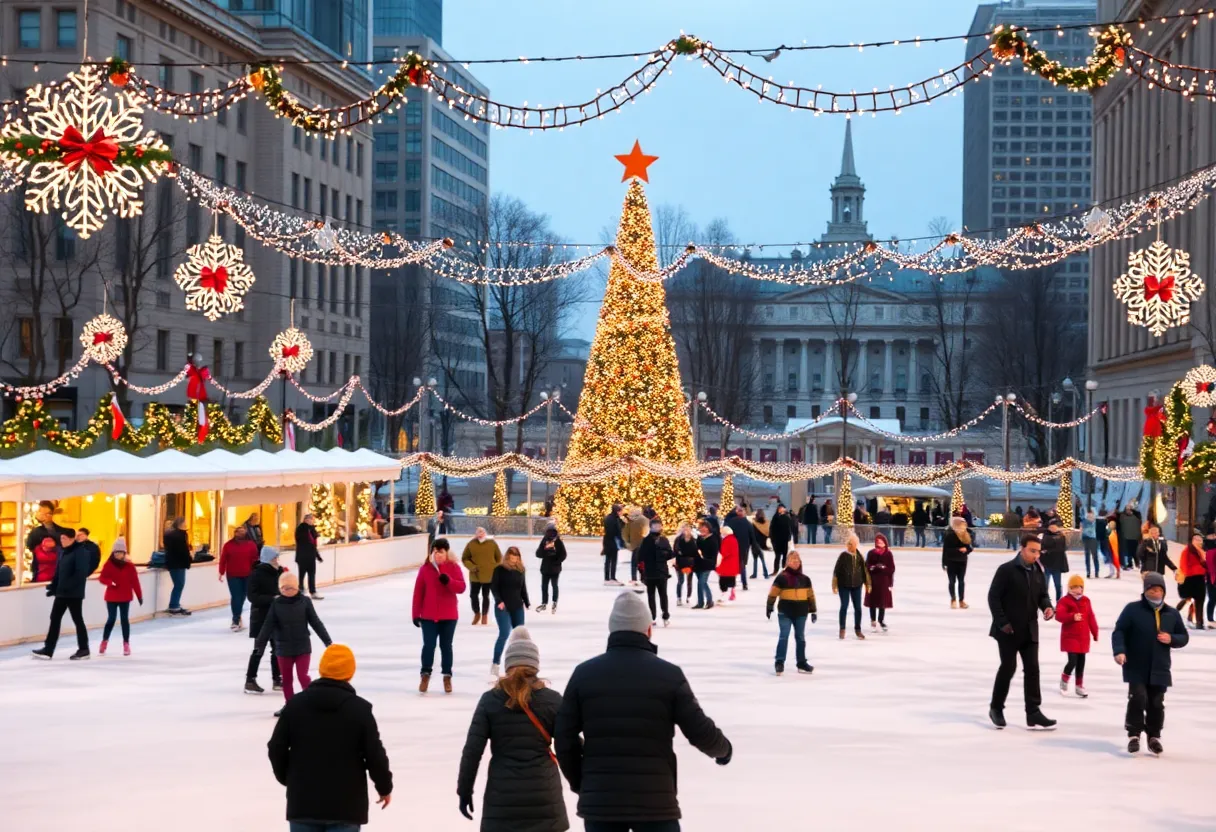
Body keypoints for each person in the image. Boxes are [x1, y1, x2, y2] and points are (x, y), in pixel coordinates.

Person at [553, 592, 732, 830]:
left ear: (612, 631)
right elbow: (698, 729)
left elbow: (564, 738)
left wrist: (583, 782)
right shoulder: (669, 676)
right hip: (655, 803)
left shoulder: (583, 674)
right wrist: (723, 750)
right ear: (648, 630)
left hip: (601, 802)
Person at [268, 644, 394, 829]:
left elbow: (276, 747)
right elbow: (375, 755)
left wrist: (290, 779)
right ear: (350, 673)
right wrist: (384, 787)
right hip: (346, 808)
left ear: (322, 669)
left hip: (303, 804)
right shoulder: (360, 710)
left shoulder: (295, 706)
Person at [457, 627, 569, 831]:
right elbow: (569, 747)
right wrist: (581, 783)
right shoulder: (552, 700)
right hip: (544, 795)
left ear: (508, 664)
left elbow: (472, 751)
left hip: (502, 799)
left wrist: (464, 790)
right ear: (535, 665)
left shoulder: (490, 700)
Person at [1112, 572, 1190, 755]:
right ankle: (1134, 734)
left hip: (1160, 667)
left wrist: (1172, 638)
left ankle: (1154, 736)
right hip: (1136, 665)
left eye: (1159, 590)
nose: (1156, 593)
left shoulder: (1172, 613)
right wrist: (1119, 651)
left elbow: (1184, 636)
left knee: (1156, 702)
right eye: (1152, 590)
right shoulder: (1132, 610)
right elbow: (1119, 631)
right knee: (1138, 698)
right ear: (1145, 591)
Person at [987, 534, 1057, 730]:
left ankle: (1033, 712)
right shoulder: (1006, 570)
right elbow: (993, 598)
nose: (1035, 555)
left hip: (1030, 629)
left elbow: (1042, 595)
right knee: (1008, 668)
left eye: (1038, 551)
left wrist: (1047, 607)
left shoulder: (1037, 570)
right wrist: (1003, 623)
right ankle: (996, 708)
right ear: (1022, 548)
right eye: (1032, 551)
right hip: (1008, 630)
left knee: (1033, 670)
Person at [254, 571, 333, 712]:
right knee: (287, 679)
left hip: (302, 646)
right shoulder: (276, 604)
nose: (288, 591)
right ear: (280, 589)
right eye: (285, 588)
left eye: (291, 588)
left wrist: (327, 641)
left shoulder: (305, 601)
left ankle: (312, 702)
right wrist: (259, 645)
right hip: (283, 648)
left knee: (303, 676)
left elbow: (315, 622)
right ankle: (290, 706)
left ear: (296, 587)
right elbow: (267, 625)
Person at [413, 537, 466, 693]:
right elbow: (418, 592)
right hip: (428, 616)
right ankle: (425, 674)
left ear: (447, 553)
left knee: (446, 646)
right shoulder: (425, 569)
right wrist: (416, 614)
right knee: (429, 645)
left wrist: (449, 581)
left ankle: (447, 676)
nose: (438, 555)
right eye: (435, 552)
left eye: (441, 552)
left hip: (449, 615)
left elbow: (462, 587)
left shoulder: (454, 567)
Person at [31, 529, 90, 660]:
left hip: (74, 593)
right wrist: (53, 586)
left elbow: (80, 574)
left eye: (64, 539)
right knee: (55, 618)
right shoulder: (63, 552)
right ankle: (48, 649)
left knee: (77, 619)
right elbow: (59, 572)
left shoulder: (80, 552)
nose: (61, 541)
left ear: (71, 539)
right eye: (61, 538)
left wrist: (67, 588)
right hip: (62, 593)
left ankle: (84, 649)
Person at [766, 549, 816, 675]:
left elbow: (810, 595)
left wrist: (813, 610)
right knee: (784, 636)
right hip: (785, 612)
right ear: (788, 562)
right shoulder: (782, 577)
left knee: (800, 638)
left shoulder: (805, 579)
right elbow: (773, 593)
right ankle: (779, 662)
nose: (795, 563)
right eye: (792, 560)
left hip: (801, 613)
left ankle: (801, 663)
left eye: (797, 560)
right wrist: (769, 606)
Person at [246, 546, 286, 694]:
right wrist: (272, 599)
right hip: (261, 617)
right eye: (274, 557)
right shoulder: (257, 574)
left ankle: (277, 678)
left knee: (277, 649)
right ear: (268, 559)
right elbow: (252, 597)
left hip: (276, 616)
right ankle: (250, 679)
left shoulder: (280, 572)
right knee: (259, 649)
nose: (277, 560)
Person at [1055, 575, 1099, 698]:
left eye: (1079, 587)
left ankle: (1079, 685)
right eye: (1073, 587)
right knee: (1072, 661)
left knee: (1081, 662)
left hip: (1083, 637)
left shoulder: (1086, 601)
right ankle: (1064, 679)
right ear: (1069, 588)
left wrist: (1095, 632)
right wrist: (1072, 617)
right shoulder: (1064, 601)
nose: (1076, 590)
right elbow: (1059, 615)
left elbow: (1091, 617)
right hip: (1070, 637)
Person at [98, 538, 142, 656]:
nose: (118, 555)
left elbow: (135, 582)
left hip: (125, 596)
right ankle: (105, 640)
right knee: (111, 619)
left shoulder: (130, 566)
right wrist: (109, 582)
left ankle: (126, 643)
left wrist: (139, 595)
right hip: (111, 597)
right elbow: (102, 577)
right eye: (116, 552)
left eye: (120, 552)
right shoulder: (108, 564)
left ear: (124, 553)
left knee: (124, 620)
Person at [490, 546, 529, 677]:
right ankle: (495, 664)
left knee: (519, 636)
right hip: (503, 607)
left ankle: (518, 665)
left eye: (516, 557)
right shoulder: (499, 570)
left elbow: (523, 588)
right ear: (507, 557)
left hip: (517, 606)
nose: (514, 559)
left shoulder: (521, 570)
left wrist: (526, 601)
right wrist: (499, 601)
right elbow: (494, 587)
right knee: (504, 633)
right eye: (511, 557)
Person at [219, 525, 259, 631]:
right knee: (236, 596)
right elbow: (223, 559)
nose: (240, 533)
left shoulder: (251, 545)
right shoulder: (228, 545)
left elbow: (255, 559)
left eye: (243, 531)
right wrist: (221, 572)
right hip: (233, 575)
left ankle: (238, 615)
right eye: (238, 531)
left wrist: (256, 572)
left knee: (243, 596)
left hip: (248, 574)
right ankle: (235, 619)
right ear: (235, 533)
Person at [832, 532, 871, 641]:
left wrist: (867, 584)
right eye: (848, 544)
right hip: (844, 585)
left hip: (856, 585)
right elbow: (836, 571)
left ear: (856, 544)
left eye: (852, 544)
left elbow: (864, 571)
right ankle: (842, 628)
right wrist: (834, 585)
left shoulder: (859, 556)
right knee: (844, 606)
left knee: (858, 608)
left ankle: (858, 629)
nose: (850, 546)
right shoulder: (843, 556)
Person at [636, 516, 674, 627]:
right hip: (650, 572)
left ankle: (665, 615)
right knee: (651, 595)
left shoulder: (664, 539)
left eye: (659, 526)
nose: (658, 528)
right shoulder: (646, 540)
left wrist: (665, 554)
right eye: (655, 526)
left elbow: (670, 553)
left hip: (662, 572)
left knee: (663, 595)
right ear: (651, 527)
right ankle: (652, 616)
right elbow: (640, 558)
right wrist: (642, 573)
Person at [462, 527, 502, 625]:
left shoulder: (492, 543)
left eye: (482, 532)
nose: (480, 534)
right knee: (473, 595)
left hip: (489, 575)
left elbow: (499, 558)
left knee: (486, 595)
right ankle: (477, 614)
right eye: (478, 532)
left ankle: (484, 616)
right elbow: (465, 558)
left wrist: (493, 568)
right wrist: (472, 567)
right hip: (475, 574)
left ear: (485, 533)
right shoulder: (471, 544)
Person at [1175, 532, 1208, 629]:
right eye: (1196, 539)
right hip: (1189, 579)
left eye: (1200, 540)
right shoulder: (1187, 550)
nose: (1199, 541)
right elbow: (1184, 565)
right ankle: (1174, 613)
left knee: (1199, 601)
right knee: (1186, 599)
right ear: (1192, 541)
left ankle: (1199, 623)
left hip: (1200, 579)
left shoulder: (1201, 551)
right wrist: (1199, 569)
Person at [865, 532, 895, 633]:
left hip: (884, 581)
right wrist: (872, 567)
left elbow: (891, 569)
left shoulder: (888, 554)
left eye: (881, 542)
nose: (880, 544)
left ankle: (881, 620)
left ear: (885, 543)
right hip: (873, 581)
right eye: (878, 542)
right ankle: (873, 620)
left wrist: (884, 568)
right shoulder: (871, 553)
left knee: (882, 602)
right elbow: (867, 566)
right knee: (872, 601)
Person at [942, 516, 974, 610]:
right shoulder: (950, 535)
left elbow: (970, 548)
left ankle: (961, 601)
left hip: (962, 561)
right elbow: (946, 550)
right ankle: (953, 600)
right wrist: (944, 563)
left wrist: (966, 549)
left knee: (961, 581)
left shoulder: (966, 535)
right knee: (952, 581)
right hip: (951, 561)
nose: (964, 525)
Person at [163, 516, 193, 616]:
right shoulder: (181, 535)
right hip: (179, 563)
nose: (186, 524)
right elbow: (183, 550)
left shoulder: (169, 534)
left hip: (172, 562)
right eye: (185, 522)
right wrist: (189, 560)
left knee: (178, 584)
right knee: (179, 584)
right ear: (181, 524)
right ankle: (174, 605)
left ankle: (174, 604)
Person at [535, 524, 567, 613]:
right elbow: (538, 554)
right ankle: (545, 603)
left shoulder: (558, 542)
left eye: (552, 532)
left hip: (554, 569)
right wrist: (545, 552)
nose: (550, 534)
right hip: (546, 568)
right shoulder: (544, 541)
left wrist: (556, 561)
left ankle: (554, 602)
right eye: (549, 532)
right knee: (545, 586)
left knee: (554, 586)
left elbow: (563, 554)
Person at [294, 513, 324, 600]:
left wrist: (317, 556)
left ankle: (313, 591)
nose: (311, 521)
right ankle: (301, 590)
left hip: (311, 557)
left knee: (312, 575)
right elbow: (302, 541)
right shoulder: (301, 528)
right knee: (302, 574)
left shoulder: (312, 529)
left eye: (312, 519)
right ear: (306, 520)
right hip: (303, 556)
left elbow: (313, 545)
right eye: (310, 519)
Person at [1039, 517, 1069, 605]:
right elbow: (1042, 547)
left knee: (1058, 585)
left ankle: (1059, 602)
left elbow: (1062, 548)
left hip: (1057, 564)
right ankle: (1046, 602)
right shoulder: (1045, 535)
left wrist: (1048, 551)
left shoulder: (1061, 536)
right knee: (1045, 585)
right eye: (1051, 527)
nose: (1053, 528)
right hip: (1047, 564)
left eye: (1054, 527)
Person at [724, 506, 752, 591]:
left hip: (734, 546)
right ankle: (744, 583)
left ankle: (732, 583)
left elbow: (726, 532)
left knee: (733, 564)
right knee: (742, 565)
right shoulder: (746, 522)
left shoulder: (732, 521)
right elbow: (751, 534)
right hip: (743, 547)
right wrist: (751, 544)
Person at [692, 520, 718, 610]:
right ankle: (700, 602)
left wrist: (706, 558)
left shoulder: (713, 539)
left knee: (702, 582)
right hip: (698, 563)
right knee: (700, 583)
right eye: (701, 527)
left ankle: (710, 601)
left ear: (708, 528)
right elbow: (697, 548)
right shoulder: (700, 538)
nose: (702, 529)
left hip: (708, 564)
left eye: (704, 527)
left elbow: (713, 553)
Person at [672, 522, 698, 607]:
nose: (686, 530)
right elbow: (676, 550)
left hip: (690, 563)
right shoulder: (678, 539)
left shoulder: (693, 539)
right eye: (684, 528)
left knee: (689, 581)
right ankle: (679, 598)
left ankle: (688, 597)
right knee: (680, 581)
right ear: (682, 529)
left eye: (688, 528)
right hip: (680, 563)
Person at [601, 504, 626, 586]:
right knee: (612, 560)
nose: (622, 512)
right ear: (617, 511)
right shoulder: (614, 519)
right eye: (621, 511)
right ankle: (611, 578)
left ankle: (608, 578)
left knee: (608, 560)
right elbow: (617, 531)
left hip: (608, 541)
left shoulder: (610, 518)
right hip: (612, 542)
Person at [623, 507, 647, 587]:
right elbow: (647, 532)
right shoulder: (645, 520)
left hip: (634, 544)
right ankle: (643, 578)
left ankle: (634, 579)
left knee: (634, 563)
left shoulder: (630, 522)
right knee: (642, 562)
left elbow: (626, 533)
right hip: (643, 544)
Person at [769, 504, 796, 573]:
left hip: (784, 540)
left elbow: (792, 526)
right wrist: (772, 539)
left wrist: (792, 515)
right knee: (777, 556)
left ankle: (784, 569)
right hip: (777, 541)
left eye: (782, 508)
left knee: (784, 555)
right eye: (780, 508)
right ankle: (776, 570)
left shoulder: (787, 517)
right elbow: (772, 528)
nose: (781, 509)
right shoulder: (775, 517)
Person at [1118, 503, 1143, 570]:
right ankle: (1130, 564)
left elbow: (1138, 514)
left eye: (1130, 509)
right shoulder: (1122, 516)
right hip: (1126, 537)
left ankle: (1137, 563)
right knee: (1128, 551)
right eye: (1127, 509)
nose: (1128, 510)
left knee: (1135, 551)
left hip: (1135, 537)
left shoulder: (1137, 516)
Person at [748, 509, 771, 580]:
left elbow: (752, 534)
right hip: (763, 543)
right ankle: (765, 574)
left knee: (755, 559)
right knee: (762, 559)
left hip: (755, 543)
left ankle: (757, 574)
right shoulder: (767, 523)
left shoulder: (754, 524)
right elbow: (768, 533)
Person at [1081, 510, 1100, 579]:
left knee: (1095, 556)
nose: (1090, 516)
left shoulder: (1096, 522)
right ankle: (1088, 572)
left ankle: (1097, 572)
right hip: (1086, 539)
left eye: (1091, 515)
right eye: (1088, 515)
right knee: (1087, 556)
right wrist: (1081, 538)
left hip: (1094, 540)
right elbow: (1081, 529)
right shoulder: (1084, 521)